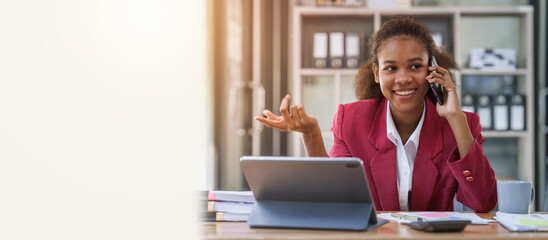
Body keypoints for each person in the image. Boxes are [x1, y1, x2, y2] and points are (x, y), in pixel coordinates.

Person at [254, 17, 497, 212]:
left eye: (415, 66)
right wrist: (310, 134)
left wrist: (454, 117)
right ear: (376, 73)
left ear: (432, 69)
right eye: (391, 68)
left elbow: (484, 203)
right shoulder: (351, 121)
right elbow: (333, 199)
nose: (403, 78)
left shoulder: (461, 125)